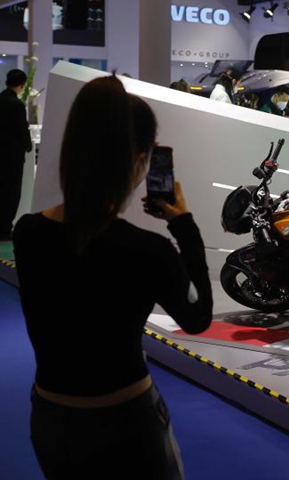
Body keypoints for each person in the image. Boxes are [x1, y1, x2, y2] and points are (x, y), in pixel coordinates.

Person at [13, 75, 213, 479]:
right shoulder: (146, 251)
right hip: (128, 423)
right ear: (137, 160)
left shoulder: (28, 233)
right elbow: (197, 317)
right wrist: (185, 225)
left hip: (51, 418)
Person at [0, 69, 33, 241]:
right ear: (21, 84)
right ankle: (5, 228)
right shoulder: (17, 105)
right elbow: (22, 129)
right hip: (13, 155)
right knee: (12, 192)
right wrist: (28, 146)